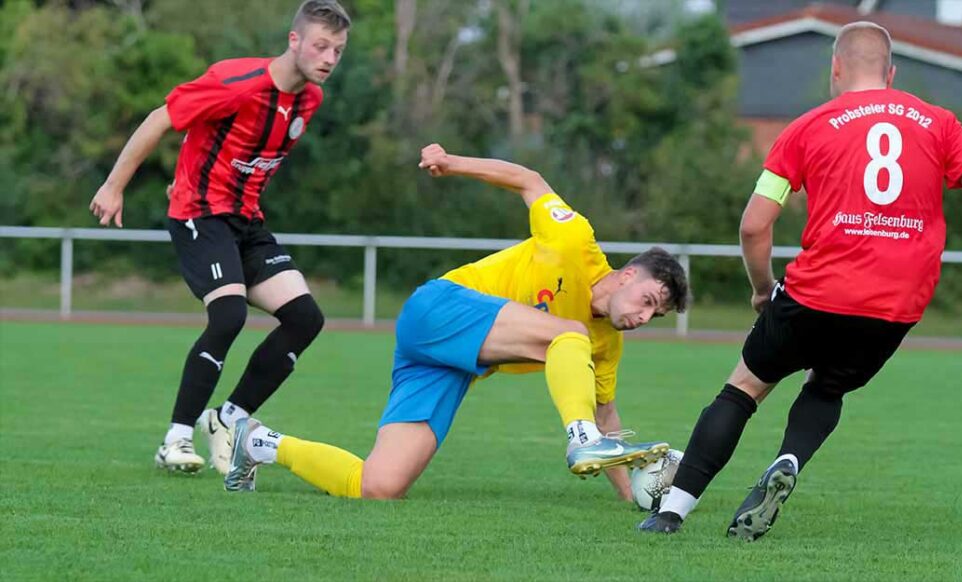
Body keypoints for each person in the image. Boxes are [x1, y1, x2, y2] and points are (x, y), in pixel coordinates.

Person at [639, 21, 962, 539]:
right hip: (897, 305)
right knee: (826, 387)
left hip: (816, 292)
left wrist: (761, 287)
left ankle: (671, 512)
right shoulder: (941, 124)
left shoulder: (805, 127)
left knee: (743, 390)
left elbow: (754, 224)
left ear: (836, 69)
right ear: (891, 72)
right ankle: (790, 460)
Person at [222, 143, 690, 500]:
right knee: (571, 335)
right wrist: (452, 162)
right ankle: (576, 437)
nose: (643, 317)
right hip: (439, 308)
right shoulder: (573, 240)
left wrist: (633, 495)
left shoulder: (606, 344)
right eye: (647, 300)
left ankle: (258, 442)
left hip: (451, 361)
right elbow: (529, 179)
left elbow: (605, 414)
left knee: (380, 485)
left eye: (655, 315)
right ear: (628, 275)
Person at [88, 1, 352, 475]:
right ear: (294, 41)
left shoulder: (309, 100)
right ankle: (176, 439)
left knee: (305, 318)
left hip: (246, 222)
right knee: (228, 315)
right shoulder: (238, 83)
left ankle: (227, 420)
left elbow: (241, 153)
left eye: (337, 49)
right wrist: (114, 185)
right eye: (320, 45)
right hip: (199, 215)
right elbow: (161, 118)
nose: (330, 57)